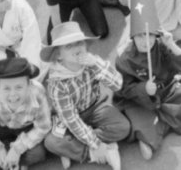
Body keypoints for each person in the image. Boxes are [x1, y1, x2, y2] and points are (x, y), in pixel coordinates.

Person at [41, 22, 128, 170]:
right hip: (68, 119)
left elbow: (118, 84)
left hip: (94, 107)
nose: (77, 48)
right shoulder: (56, 84)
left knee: (123, 127)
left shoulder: (92, 61)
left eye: (79, 43)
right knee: (51, 142)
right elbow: (72, 120)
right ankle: (102, 152)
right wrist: (97, 144)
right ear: (58, 56)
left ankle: (72, 147)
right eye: (69, 46)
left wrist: (96, 64)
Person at [0, 56, 51, 170]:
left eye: (19, 87)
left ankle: (9, 160)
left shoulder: (38, 92)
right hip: (2, 127)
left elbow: (43, 127)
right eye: (6, 88)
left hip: (27, 127)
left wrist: (17, 149)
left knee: (38, 153)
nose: (13, 95)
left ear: (29, 85)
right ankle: (9, 160)